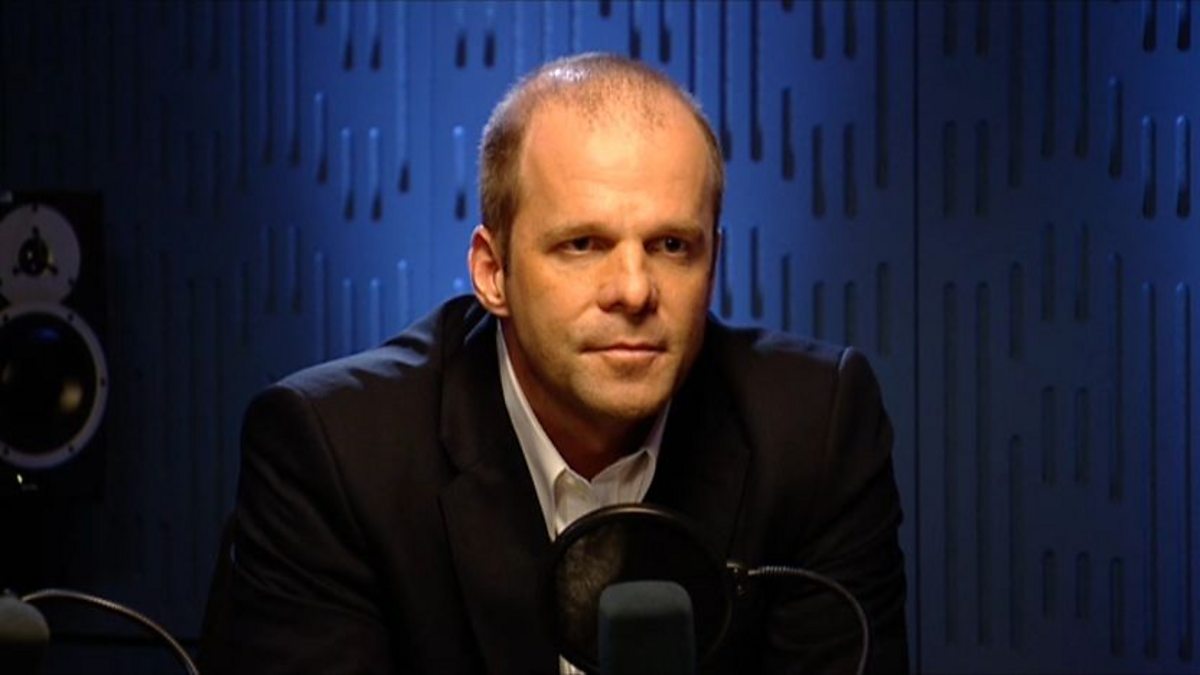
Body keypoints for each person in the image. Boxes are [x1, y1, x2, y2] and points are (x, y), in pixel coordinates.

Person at [199, 53, 908, 674]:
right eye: (582, 245)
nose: (634, 290)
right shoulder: (338, 453)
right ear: (492, 272)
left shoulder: (815, 431)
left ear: (713, 263)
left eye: (671, 246)